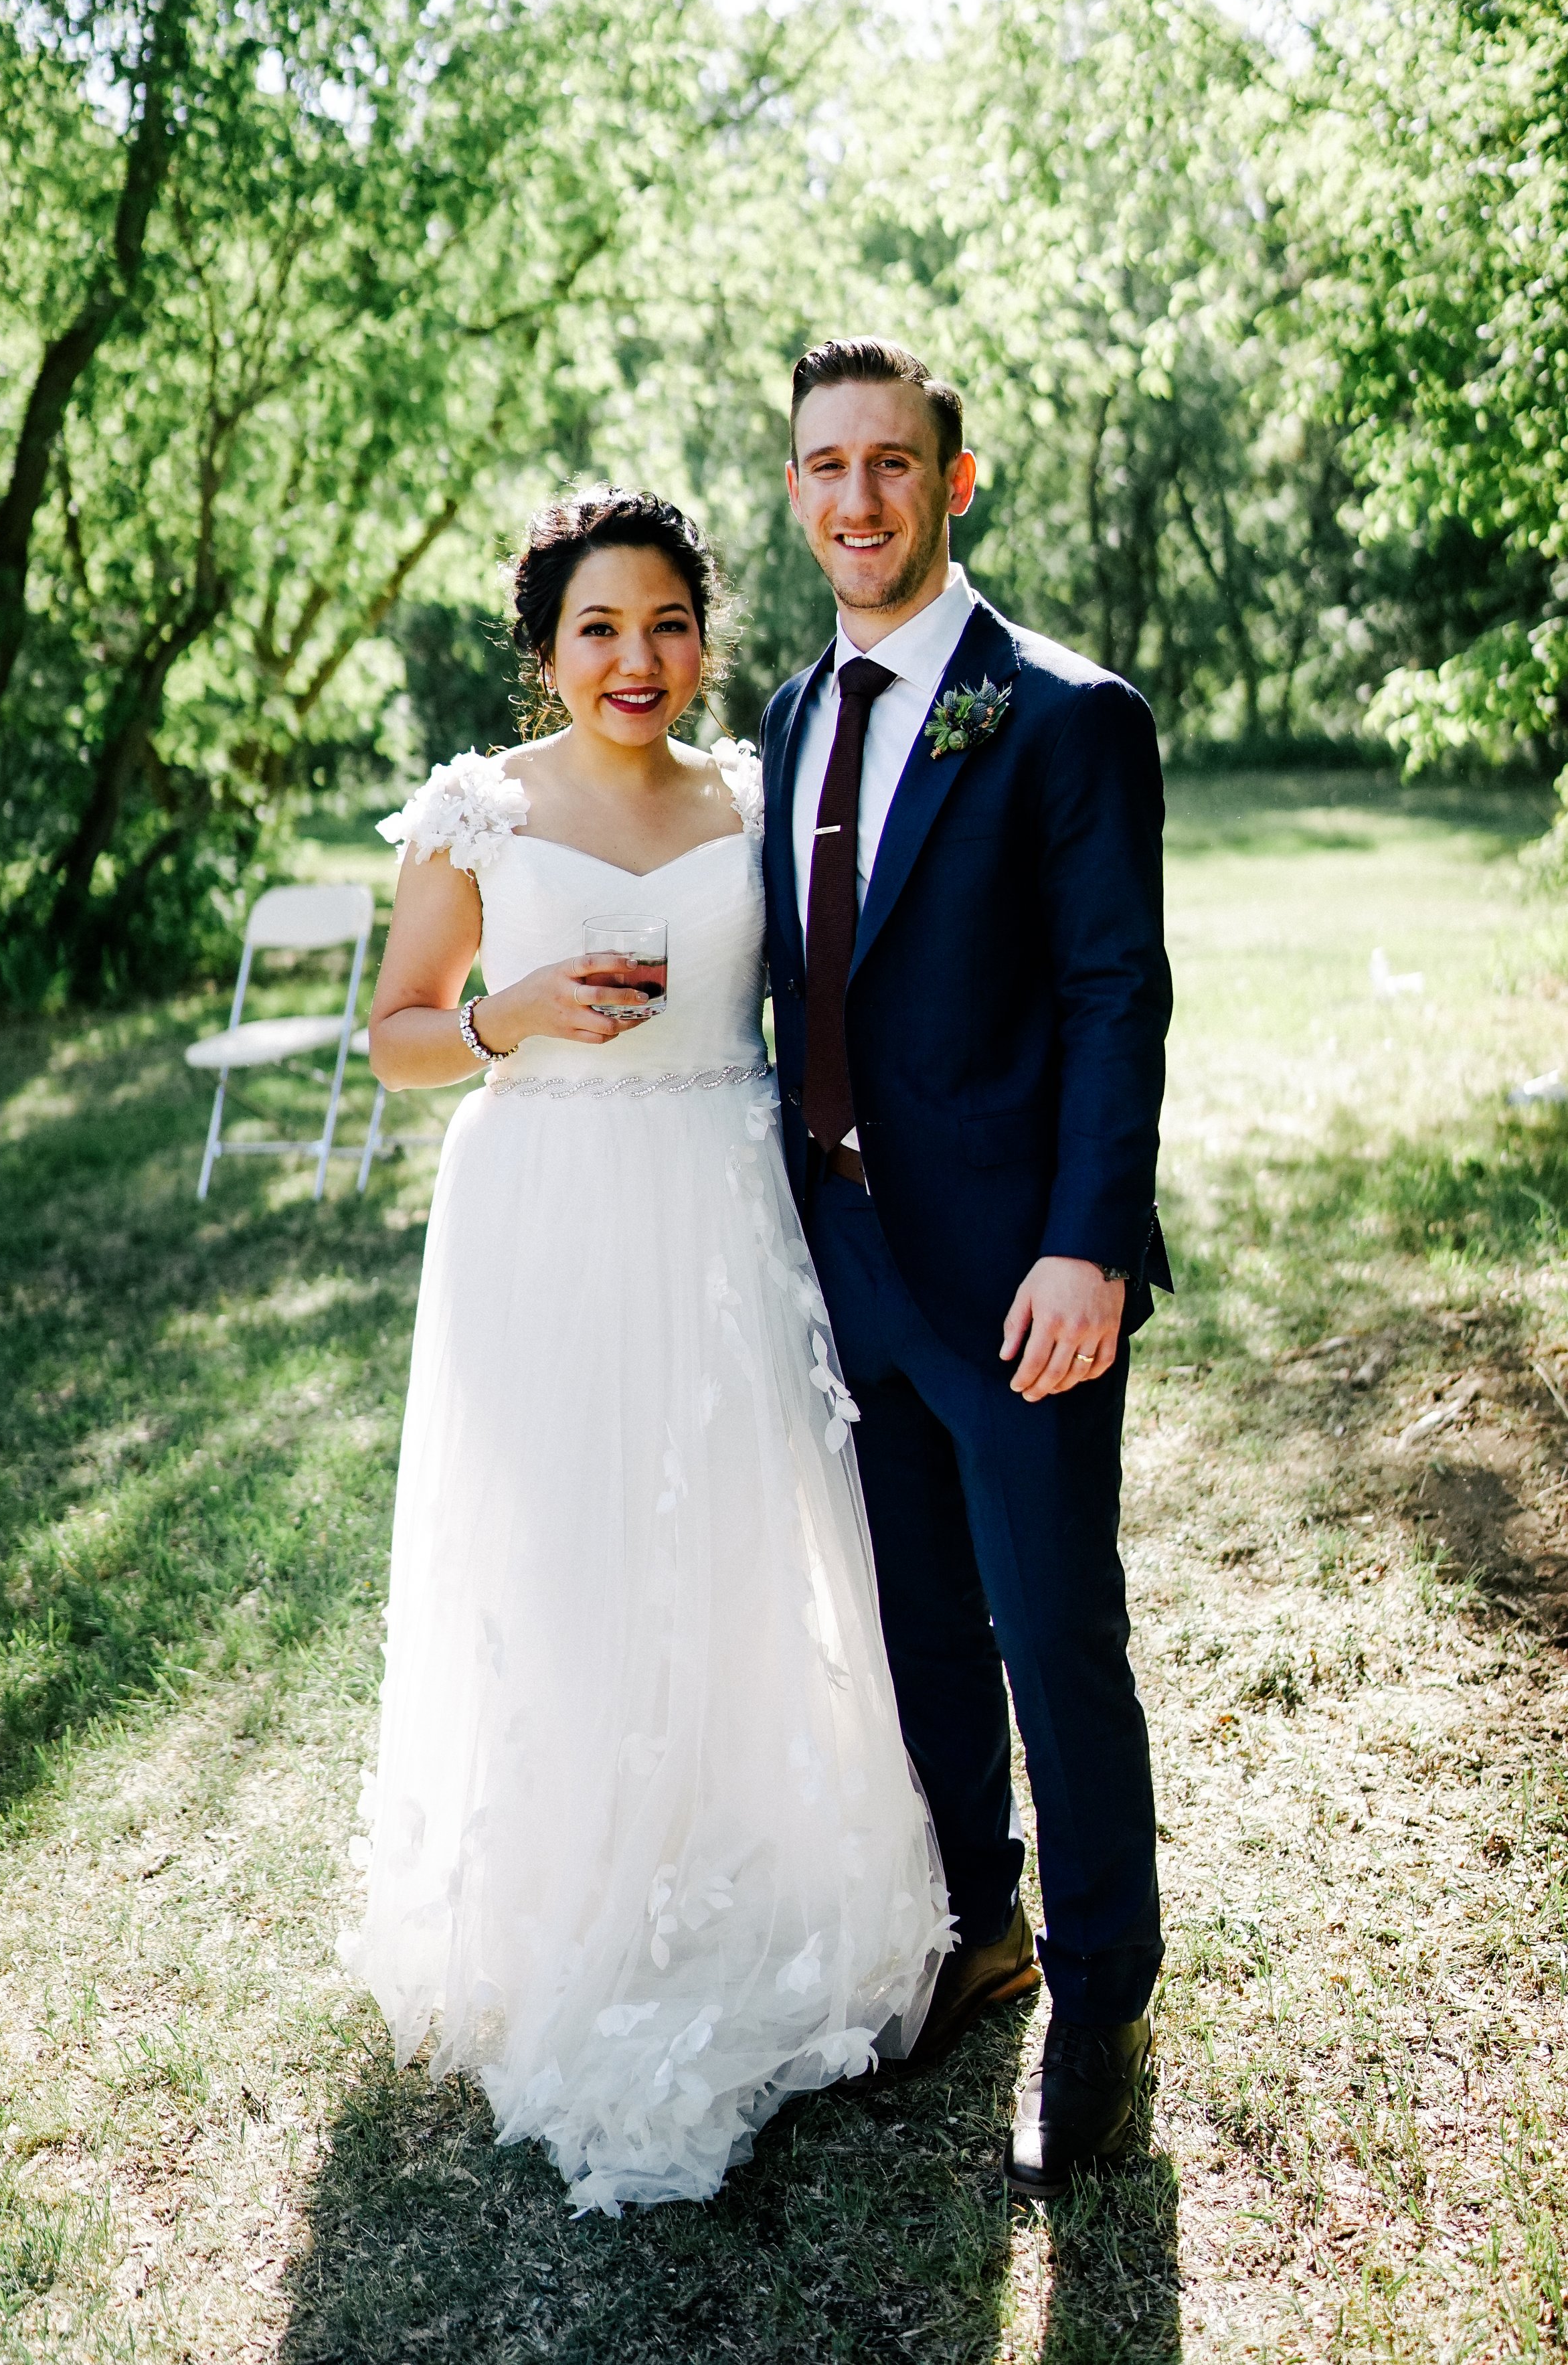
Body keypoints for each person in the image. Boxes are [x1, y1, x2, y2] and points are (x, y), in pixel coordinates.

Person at [340, 489, 952, 2217]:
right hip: (542, 1206)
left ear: (706, 636)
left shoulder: (759, 803)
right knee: (566, 1547)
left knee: (733, 1539)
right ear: (543, 650)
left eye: (667, 625)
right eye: (599, 630)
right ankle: (564, 1892)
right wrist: (497, 1020)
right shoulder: (476, 812)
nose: (637, 660)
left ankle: (722, 1857)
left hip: (715, 1202)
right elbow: (390, 1038)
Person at [762, 337, 1174, 2197]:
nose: (858, 497)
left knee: (1049, 1633)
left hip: (1022, 1280)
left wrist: (1089, 1242)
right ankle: (979, 1927)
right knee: (925, 1629)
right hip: (845, 1261)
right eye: (824, 467)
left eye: (891, 466)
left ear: (955, 479)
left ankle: (1101, 1998)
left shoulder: (1064, 714)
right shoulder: (785, 716)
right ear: (795, 491)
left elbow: (1112, 995)